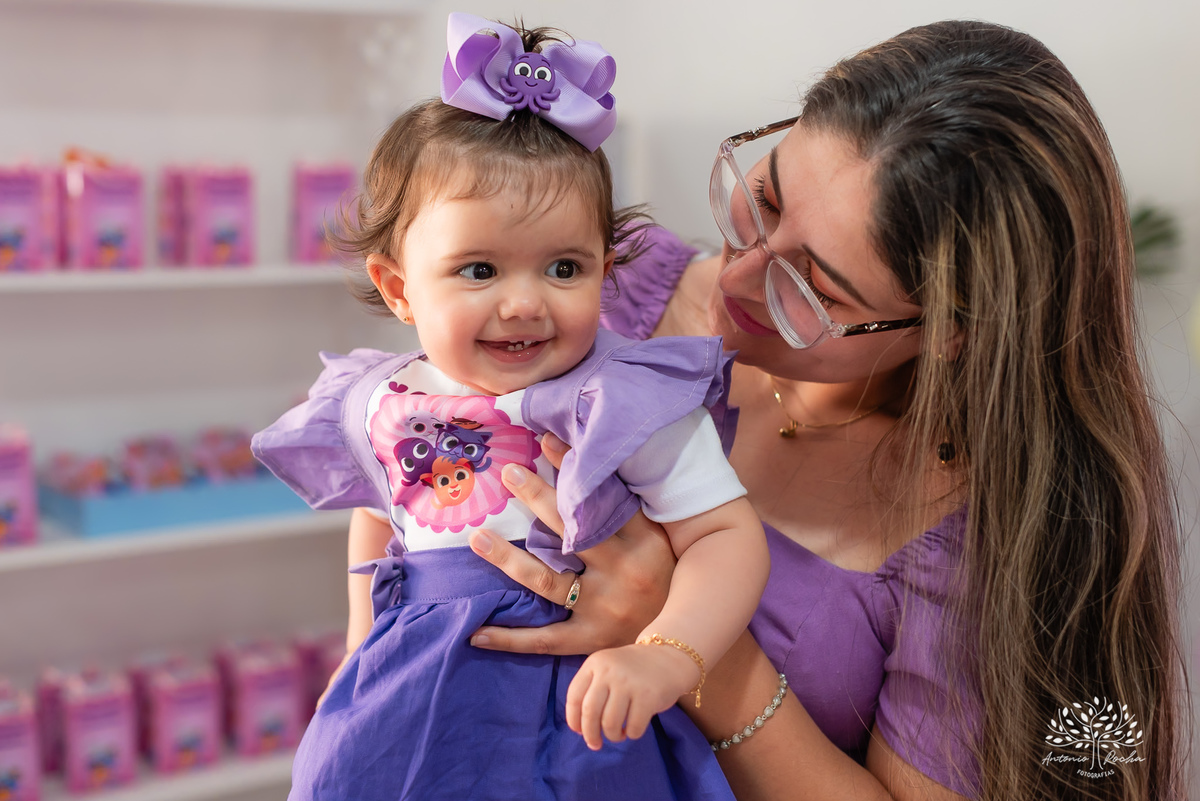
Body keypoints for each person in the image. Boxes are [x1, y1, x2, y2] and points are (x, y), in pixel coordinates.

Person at [464, 19, 1187, 801]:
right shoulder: (608, 292)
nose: (735, 276)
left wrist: (685, 637)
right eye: (764, 199)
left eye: (811, 289)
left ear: (952, 333)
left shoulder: (982, 541)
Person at [251, 13, 768, 801]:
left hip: (577, 711)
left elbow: (725, 536)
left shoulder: (622, 398)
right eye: (479, 268)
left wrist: (667, 651)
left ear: (607, 267)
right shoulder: (386, 397)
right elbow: (378, 510)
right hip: (417, 697)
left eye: (565, 266)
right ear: (399, 289)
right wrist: (360, 646)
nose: (525, 303)